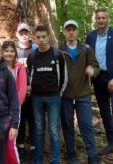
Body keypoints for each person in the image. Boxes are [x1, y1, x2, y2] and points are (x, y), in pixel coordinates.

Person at [86, 8, 113, 156]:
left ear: (108, 19)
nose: (101, 21)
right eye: (98, 18)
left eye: (103, 18)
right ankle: (112, 143)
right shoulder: (90, 36)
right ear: (95, 20)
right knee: (104, 112)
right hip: (98, 79)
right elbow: (87, 58)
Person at [59, 20, 100, 164]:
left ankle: (92, 156)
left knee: (86, 126)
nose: (71, 32)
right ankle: (72, 156)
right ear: (63, 32)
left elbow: (95, 66)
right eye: (68, 29)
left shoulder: (85, 49)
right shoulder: (59, 50)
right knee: (67, 126)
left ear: (77, 31)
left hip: (83, 94)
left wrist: (92, 71)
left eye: (73, 29)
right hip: (65, 96)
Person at [27, 25, 67, 164]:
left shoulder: (57, 54)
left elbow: (63, 77)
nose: (41, 39)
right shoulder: (32, 56)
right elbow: (30, 76)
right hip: (36, 98)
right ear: (35, 38)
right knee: (38, 130)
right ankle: (37, 159)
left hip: (53, 97)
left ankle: (55, 160)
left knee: (53, 130)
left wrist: (58, 92)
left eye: (44, 36)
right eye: (38, 37)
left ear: (48, 37)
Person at [2, 41, 27, 164]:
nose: (9, 53)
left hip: (14, 110)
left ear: (15, 53)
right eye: (6, 51)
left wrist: (12, 107)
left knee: (10, 142)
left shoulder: (20, 68)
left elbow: (22, 92)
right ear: (2, 52)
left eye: (11, 51)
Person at [14, 22, 37, 159]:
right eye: (21, 33)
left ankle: (34, 147)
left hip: (33, 93)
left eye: (26, 33)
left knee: (33, 121)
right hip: (18, 93)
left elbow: (39, 71)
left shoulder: (34, 50)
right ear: (17, 34)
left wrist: (32, 87)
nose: (24, 35)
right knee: (20, 120)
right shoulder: (14, 50)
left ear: (29, 34)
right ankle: (20, 147)